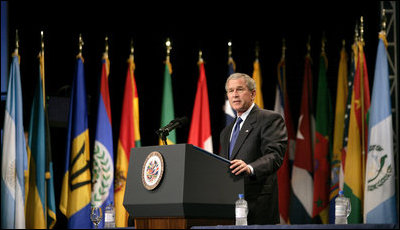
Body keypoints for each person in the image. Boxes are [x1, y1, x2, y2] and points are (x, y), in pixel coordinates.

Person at [219, 73, 287, 225]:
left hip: (258, 207)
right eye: (230, 91)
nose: (235, 95)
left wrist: (250, 168)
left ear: (253, 93)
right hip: (229, 209)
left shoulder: (269, 119)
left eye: (240, 89)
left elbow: (274, 156)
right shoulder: (226, 132)